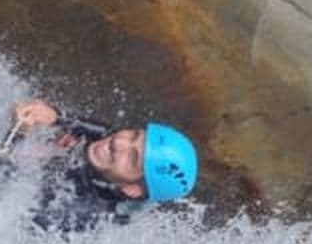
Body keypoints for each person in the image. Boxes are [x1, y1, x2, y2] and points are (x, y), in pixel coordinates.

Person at [10, 99, 198, 233]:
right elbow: (76, 123)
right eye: (133, 135)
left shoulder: (85, 211)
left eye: (133, 158)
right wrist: (51, 116)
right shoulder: (110, 140)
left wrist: (18, 132)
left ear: (132, 189)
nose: (119, 143)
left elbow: (5, 184)